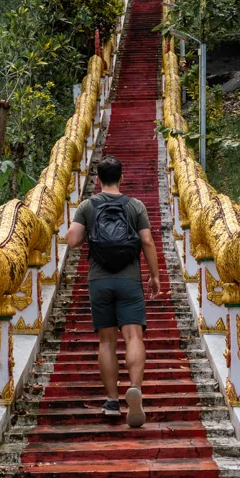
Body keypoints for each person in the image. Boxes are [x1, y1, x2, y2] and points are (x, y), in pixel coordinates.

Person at [66, 154, 161, 427]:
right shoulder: (135, 206)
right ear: (122, 178)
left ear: (97, 180)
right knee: (133, 336)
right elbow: (147, 242)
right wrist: (154, 276)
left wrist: (87, 229)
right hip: (130, 279)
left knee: (106, 341)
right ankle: (136, 390)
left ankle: (111, 401)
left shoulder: (88, 205)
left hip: (99, 280)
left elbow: (72, 240)